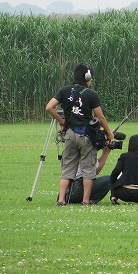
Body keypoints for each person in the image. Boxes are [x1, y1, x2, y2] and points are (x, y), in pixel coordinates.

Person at [46, 63, 114, 206]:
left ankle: (61, 200)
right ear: (87, 77)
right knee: (88, 169)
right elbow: (100, 117)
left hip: (69, 135)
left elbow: (49, 107)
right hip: (85, 136)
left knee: (68, 169)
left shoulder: (64, 91)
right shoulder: (91, 94)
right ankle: (85, 200)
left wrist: (61, 121)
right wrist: (109, 134)